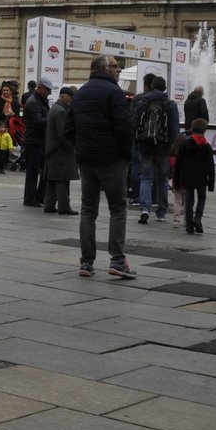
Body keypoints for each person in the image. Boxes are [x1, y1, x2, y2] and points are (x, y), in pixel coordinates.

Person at [72, 54, 137, 279]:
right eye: (115, 66)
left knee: (88, 210)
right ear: (103, 69)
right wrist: (126, 154)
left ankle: (86, 263)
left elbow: (69, 128)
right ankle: (118, 260)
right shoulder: (114, 93)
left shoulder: (79, 93)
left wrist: (80, 148)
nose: (118, 70)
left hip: (86, 159)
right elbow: (125, 127)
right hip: (112, 159)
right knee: (118, 208)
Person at [133, 74, 179, 224]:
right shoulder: (170, 104)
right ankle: (161, 212)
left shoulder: (142, 102)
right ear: (165, 88)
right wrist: (173, 147)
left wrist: (136, 141)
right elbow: (174, 128)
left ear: (151, 86)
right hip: (163, 147)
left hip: (145, 145)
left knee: (145, 178)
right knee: (163, 180)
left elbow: (134, 123)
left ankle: (145, 208)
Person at [172, 118, 215, 235]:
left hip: (187, 177)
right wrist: (211, 184)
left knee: (189, 201)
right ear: (204, 131)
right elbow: (210, 167)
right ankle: (198, 219)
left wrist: (176, 182)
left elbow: (178, 164)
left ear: (192, 129)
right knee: (201, 199)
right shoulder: (206, 146)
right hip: (201, 177)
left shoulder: (185, 145)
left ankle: (189, 225)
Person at [43, 85, 78, 215]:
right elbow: (63, 133)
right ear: (63, 97)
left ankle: (49, 204)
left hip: (52, 150)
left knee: (53, 179)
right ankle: (64, 207)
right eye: (70, 98)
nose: (72, 101)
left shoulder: (55, 108)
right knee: (62, 179)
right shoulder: (61, 111)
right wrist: (70, 147)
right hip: (59, 150)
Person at [19, 78, 51, 206]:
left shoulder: (41, 100)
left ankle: (39, 196)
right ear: (40, 87)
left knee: (44, 170)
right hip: (34, 141)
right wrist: (51, 116)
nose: (48, 92)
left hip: (40, 140)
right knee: (33, 171)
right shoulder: (33, 102)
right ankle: (30, 198)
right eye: (47, 90)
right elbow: (38, 122)